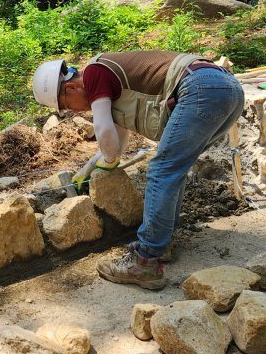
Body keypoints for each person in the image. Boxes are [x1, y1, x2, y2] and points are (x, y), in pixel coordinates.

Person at [31, 51, 244, 289]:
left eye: (67, 106)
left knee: (162, 169)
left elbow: (102, 130)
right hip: (227, 90)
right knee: (173, 169)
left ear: (70, 88)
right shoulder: (109, 86)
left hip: (200, 89)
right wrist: (90, 167)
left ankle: (145, 261)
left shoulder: (94, 72)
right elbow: (118, 142)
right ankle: (161, 245)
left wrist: (109, 159)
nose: (74, 112)